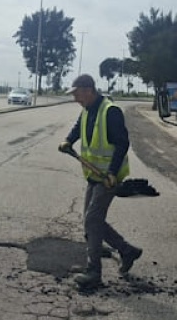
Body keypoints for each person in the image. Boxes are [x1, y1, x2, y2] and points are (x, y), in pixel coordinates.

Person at [59, 74, 142, 289]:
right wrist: (68, 140)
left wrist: (113, 172)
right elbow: (79, 126)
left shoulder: (110, 111)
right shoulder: (88, 109)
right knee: (91, 221)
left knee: (92, 220)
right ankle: (127, 251)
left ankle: (94, 272)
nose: (75, 99)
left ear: (88, 90)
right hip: (94, 175)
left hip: (108, 177)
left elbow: (122, 143)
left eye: (77, 94)